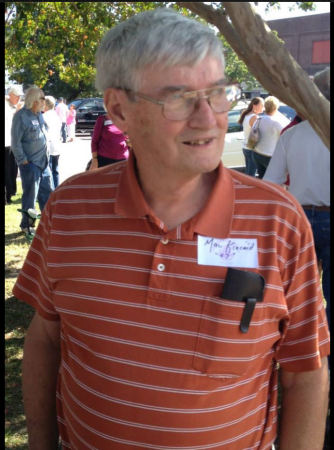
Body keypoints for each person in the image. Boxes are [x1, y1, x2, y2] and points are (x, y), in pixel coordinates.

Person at [14, 9, 329, 450]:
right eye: (180, 98)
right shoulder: (69, 209)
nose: (209, 117)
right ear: (119, 109)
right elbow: (46, 337)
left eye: (218, 92)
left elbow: (305, 372)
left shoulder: (279, 220)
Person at [264, 67, 330, 331]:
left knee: (300, 294)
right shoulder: (292, 134)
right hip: (305, 216)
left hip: (300, 217)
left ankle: (302, 345)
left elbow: (271, 185)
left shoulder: (292, 135)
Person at [11, 85, 54, 236]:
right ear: (34, 100)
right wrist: (23, 161)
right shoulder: (21, 116)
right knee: (30, 197)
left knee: (47, 195)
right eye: (42, 98)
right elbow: (15, 143)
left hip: (44, 163)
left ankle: (49, 224)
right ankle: (27, 226)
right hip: (31, 164)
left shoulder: (39, 114)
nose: (44, 101)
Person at [252, 96, 290, 178]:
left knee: (263, 179)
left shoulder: (259, 119)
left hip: (257, 153)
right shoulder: (277, 122)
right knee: (276, 180)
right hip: (270, 156)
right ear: (276, 107)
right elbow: (287, 136)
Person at [5, 85, 24, 204]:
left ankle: (11, 191)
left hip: (12, 142)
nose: (19, 99)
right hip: (6, 143)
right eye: (17, 96)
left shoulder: (12, 105)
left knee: (13, 168)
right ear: (11, 95)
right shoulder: (7, 106)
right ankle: (8, 194)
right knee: (7, 170)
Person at [238, 96, 264, 176]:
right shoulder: (254, 117)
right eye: (262, 105)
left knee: (249, 173)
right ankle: (248, 188)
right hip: (252, 149)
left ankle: (246, 187)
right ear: (254, 106)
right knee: (251, 175)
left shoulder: (247, 115)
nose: (263, 107)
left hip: (246, 147)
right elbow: (258, 134)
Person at [43, 96, 62, 188]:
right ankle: (56, 189)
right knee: (55, 169)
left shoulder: (44, 116)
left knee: (48, 170)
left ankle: (50, 190)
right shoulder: (56, 115)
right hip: (57, 146)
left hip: (48, 146)